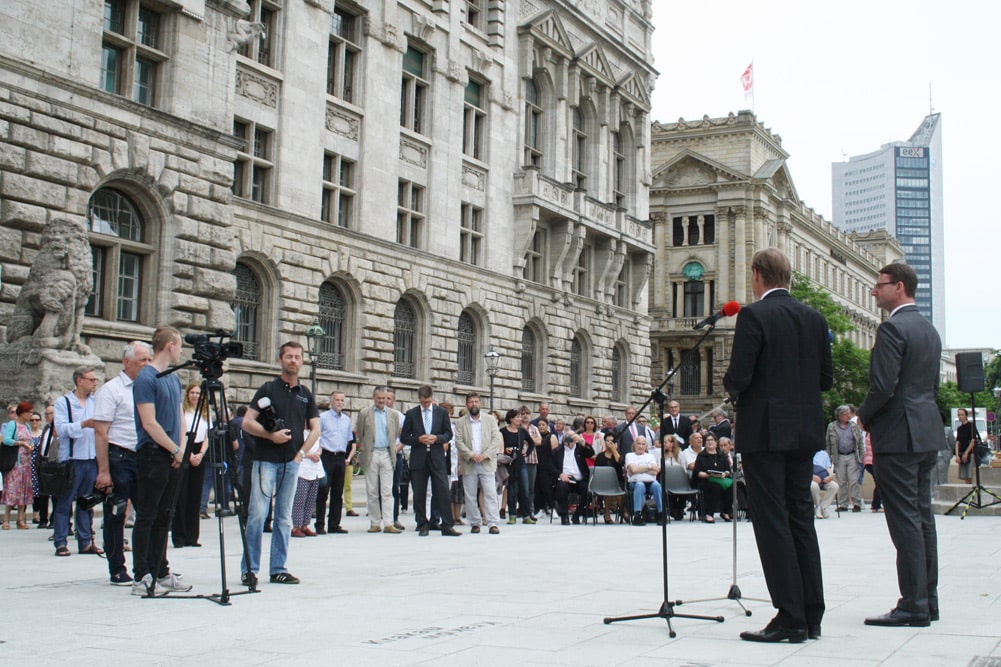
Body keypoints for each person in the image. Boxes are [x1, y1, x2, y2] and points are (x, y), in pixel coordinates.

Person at [724, 247, 833, 643]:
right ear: (788, 276)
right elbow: (826, 380)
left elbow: (739, 376)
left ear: (757, 276)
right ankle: (811, 614)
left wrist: (732, 387)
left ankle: (789, 618)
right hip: (804, 433)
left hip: (765, 433)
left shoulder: (754, 315)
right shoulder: (815, 318)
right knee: (801, 519)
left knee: (772, 523)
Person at [858, 262, 942, 628]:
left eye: (880, 285)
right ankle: (928, 599)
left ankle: (912, 605)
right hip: (925, 431)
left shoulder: (892, 328)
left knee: (905, 520)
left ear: (901, 286)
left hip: (898, 434)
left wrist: (864, 415)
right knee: (922, 517)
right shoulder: (929, 329)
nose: (875, 292)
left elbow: (883, 386)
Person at [240, 341, 321, 585]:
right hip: (265, 460)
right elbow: (247, 422)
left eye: (297, 357)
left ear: (302, 361)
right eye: (289, 356)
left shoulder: (305, 394)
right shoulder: (267, 389)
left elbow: (316, 428)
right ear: (280, 359)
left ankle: (278, 568)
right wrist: (270, 435)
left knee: (284, 517)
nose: (293, 360)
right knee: (257, 514)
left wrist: (301, 453)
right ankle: (250, 568)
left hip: (291, 462)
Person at [131, 327, 191, 596]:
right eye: (179, 346)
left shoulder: (173, 379)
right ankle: (141, 574)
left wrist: (179, 449)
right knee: (147, 514)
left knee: (165, 515)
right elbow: (149, 422)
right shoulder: (146, 378)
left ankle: (161, 570)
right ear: (170, 345)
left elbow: (179, 415)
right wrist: (174, 450)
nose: (180, 351)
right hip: (152, 454)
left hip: (170, 453)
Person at [93, 341, 151, 585]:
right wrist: (104, 470)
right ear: (126, 362)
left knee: (147, 513)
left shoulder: (147, 387)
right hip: (119, 457)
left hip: (143, 456)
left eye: (149, 359)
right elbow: (100, 432)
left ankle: (147, 566)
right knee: (117, 514)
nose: (147, 365)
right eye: (142, 361)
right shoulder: (112, 390)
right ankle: (117, 568)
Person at [53, 366, 104, 557]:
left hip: (91, 459)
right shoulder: (64, 402)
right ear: (79, 380)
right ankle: (60, 541)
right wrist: (83, 424)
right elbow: (60, 429)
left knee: (86, 503)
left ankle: (85, 541)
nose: (94, 383)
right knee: (65, 502)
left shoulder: (95, 401)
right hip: (72, 459)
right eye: (91, 379)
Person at [400, 384, 458, 536]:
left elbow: (448, 434)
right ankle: (422, 523)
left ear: (432, 398)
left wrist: (437, 438)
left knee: (443, 490)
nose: (425, 405)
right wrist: (418, 439)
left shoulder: (441, 413)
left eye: (428, 402)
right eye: (423, 402)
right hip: (419, 457)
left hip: (437, 456)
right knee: (419, 492)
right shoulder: (411, 414)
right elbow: (405, 437)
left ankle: (446, 524)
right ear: (419, 399)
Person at [354, 386, 403, 534]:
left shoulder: (393, 414)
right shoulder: (364, 413)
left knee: (387, 491)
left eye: (384, 398)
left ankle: (389, 523)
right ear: (373, 398)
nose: (382, 401)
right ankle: (375, 522)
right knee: (372, 490)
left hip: (387, 454)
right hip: (372, 453)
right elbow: (360, 434)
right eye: (379, 398)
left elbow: (395, 434)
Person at [454, 392, 502, 534]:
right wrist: (470, 455)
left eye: (476, 401)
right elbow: (459, 441)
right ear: (466, 404)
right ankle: (475, 522)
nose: (473, 404)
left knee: (490, 493)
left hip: (486, 462)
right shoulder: (460, 422)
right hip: (469, 462)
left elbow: (495, 440)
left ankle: (493, 522)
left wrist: (486, 455)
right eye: (471, 402)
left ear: (480, 404)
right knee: (470, 494)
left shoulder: (490, 420)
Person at [172, 383, 210, 548]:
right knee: (182, 494)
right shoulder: (183, 412)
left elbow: (207, 436)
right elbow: (182, 433)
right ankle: (179, 536)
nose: (195, 395)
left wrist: (201, 454)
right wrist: (187, 454)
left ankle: (192, 536)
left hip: (199, 451)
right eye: (192, 392)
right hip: (185, 448)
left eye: (197, 393)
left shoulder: (205, 414)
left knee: (195, 495)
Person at [315, 391, 354, 535]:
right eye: (337, 400)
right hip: (326, 456)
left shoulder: (346, 420)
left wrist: (347, 458)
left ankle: (334, 524)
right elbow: (317, 436)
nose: (339, 402)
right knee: (323, 492)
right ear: (331, 402)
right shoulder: (323, 418)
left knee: (338, 493)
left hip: (340, 457)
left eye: (342, 400)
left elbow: (349, 439)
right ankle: (319, 524)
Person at [2, 401, 35, 530]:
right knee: (12, 489)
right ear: (22, 413)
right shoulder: (13, 424)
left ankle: (21, 518)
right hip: (15, 462)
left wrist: (30, 445)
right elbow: (6, 439)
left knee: (24, 490)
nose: (30, 415)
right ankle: (6, 519)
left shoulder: (27, 426)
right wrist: (21, 443)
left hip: (26, 462)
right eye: (29, 413)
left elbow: (30, 440)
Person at [825, 405, 865, 512]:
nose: (848, 415)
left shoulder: (854, 426)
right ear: (839, 415)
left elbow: (860, 441)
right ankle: (843, 504)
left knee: (854, 480)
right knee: (841, 481)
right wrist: (828, 459)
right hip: (839, 456)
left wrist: (861, 456)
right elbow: (828, 444)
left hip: (852, 456)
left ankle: (856, 503)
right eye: (845, 414)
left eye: (848, 413)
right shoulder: (832, 427)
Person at [552, 428, 592, 525]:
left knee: (589, 490)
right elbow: (550, 467)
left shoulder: (580, 449)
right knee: (561, 487)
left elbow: (591, 453)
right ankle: (564, 515)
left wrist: (581, 441)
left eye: (571, 437)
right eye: (567, 437)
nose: (569, 440)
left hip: (580, 479)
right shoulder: (557, 451)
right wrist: (560, 474)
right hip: (565, 479)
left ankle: (577, 515)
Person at [693, 432, 733, 523]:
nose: (710, 442)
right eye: (707, 440)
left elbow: (727, 470)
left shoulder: (721, 455)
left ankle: (726, 511)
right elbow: (697, 472)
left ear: (716, 442)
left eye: (712, 440)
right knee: (714, 487)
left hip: (720, 479)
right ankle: (709, 514)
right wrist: (709, 475)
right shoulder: (701, 456)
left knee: (731, 486)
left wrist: (724, 474)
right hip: (705, 480)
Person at [624, 436, 662, 525]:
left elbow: (655, 471)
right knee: (640, 485)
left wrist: (639, 469)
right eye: (639, 443)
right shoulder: (630, 455)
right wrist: (649, 467)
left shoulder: (650, 456)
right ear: (634, 445)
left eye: (643, 444)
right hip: (635, 482)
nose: (641, 446)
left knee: (657, 485)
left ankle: (661, 513)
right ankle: (637, 515)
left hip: (650, 482)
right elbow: (633, 470)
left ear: (646, 446)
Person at [291, 437, 323, 538]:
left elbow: (320, 446)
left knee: (311, 500)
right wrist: (309, 455)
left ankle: (305, 525)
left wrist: (317, 453)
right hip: (303, 467)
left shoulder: (316, 432)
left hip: (315, 468)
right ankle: (296, 527)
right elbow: (296, 449)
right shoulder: (299, 432)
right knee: (300, 499)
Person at [594, 431, 624, 524]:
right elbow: (597, 471)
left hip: (618, 481)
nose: (610, 443)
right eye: (607, 440)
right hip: (603, 482)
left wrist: (614, 450)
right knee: (608, 488)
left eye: (612, 441)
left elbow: (620, 463)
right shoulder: (600, 456)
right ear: (604, 442)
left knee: (618, 490)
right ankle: (607, 513)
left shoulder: (618, 455)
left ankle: (623, 511)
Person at [811, 450, 839, 519]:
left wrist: (830, 476)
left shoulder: (824, 453)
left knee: (834, 486)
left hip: (824, 478)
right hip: (812, 478)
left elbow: (828, 467)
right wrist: (812, 476)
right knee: (813, 486)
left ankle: (822, 507)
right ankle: (818, 506)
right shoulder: (806, 452)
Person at [955, 408, 975, 485]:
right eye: (959, 415)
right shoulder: (959, 429)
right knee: (965, 475)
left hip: (970, 453)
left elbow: (973, 441)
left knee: (971, 474)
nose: (960, 416)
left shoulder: (971, 426)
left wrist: (966, 453)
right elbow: (957, 442)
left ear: (966, 416)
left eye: (962, 415)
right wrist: (957, 455)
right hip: (962, 452)